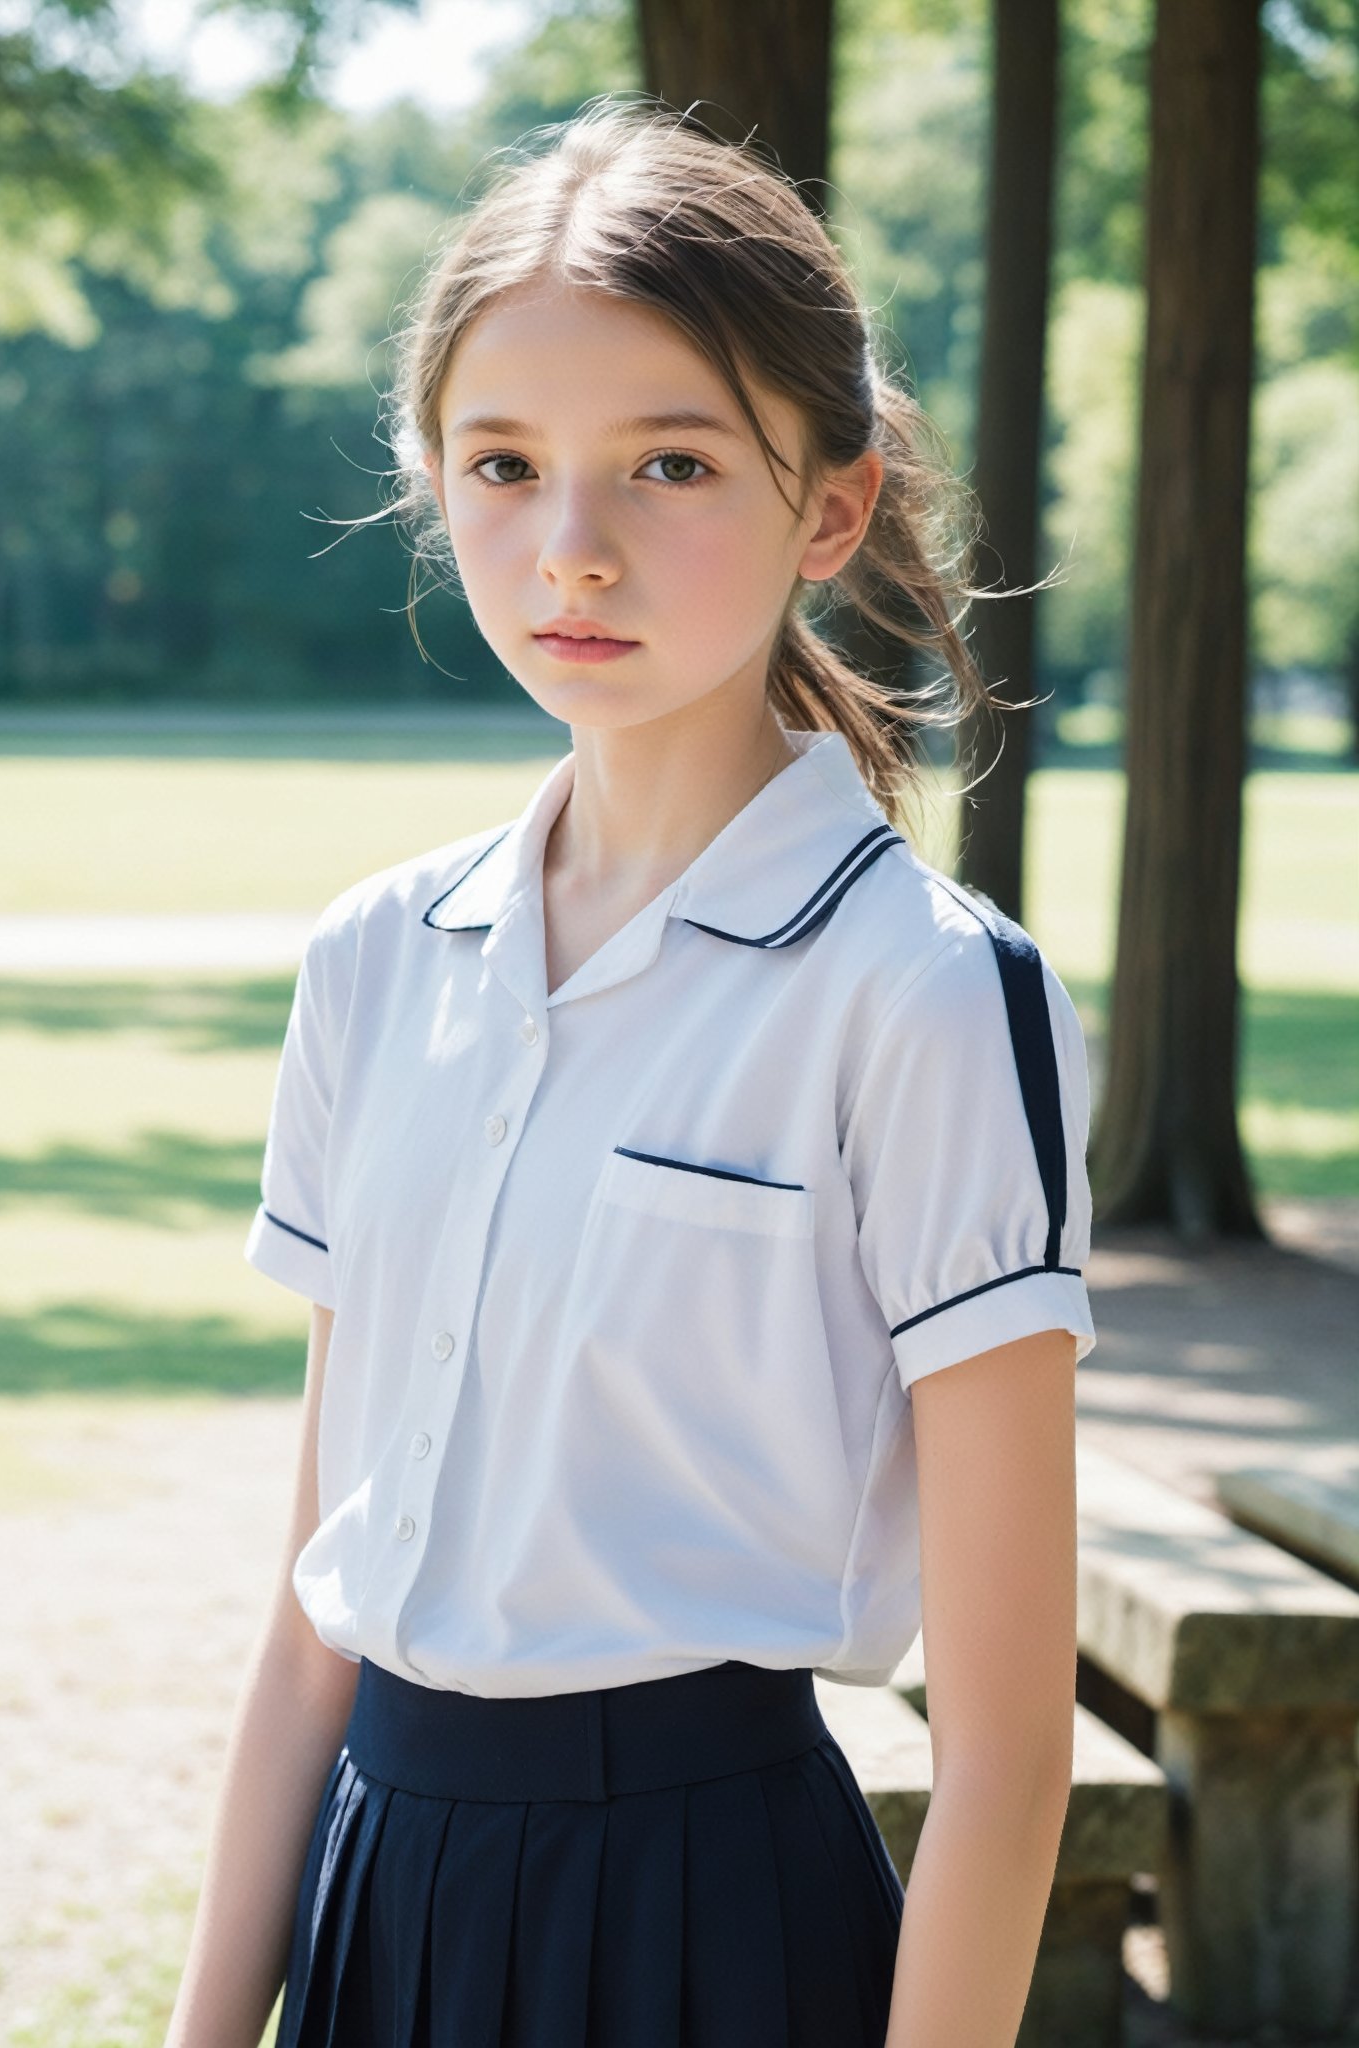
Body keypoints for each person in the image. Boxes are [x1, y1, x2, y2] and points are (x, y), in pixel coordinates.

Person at [164, 94, 1095, 2048]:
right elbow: (307, 1628)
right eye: (503, 465)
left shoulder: (920, 993)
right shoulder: (373, 961)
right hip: (378, 1903)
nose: (569, 549)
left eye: (668, 463)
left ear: (826, 507)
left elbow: (1009, 1753)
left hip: (708, 1930)